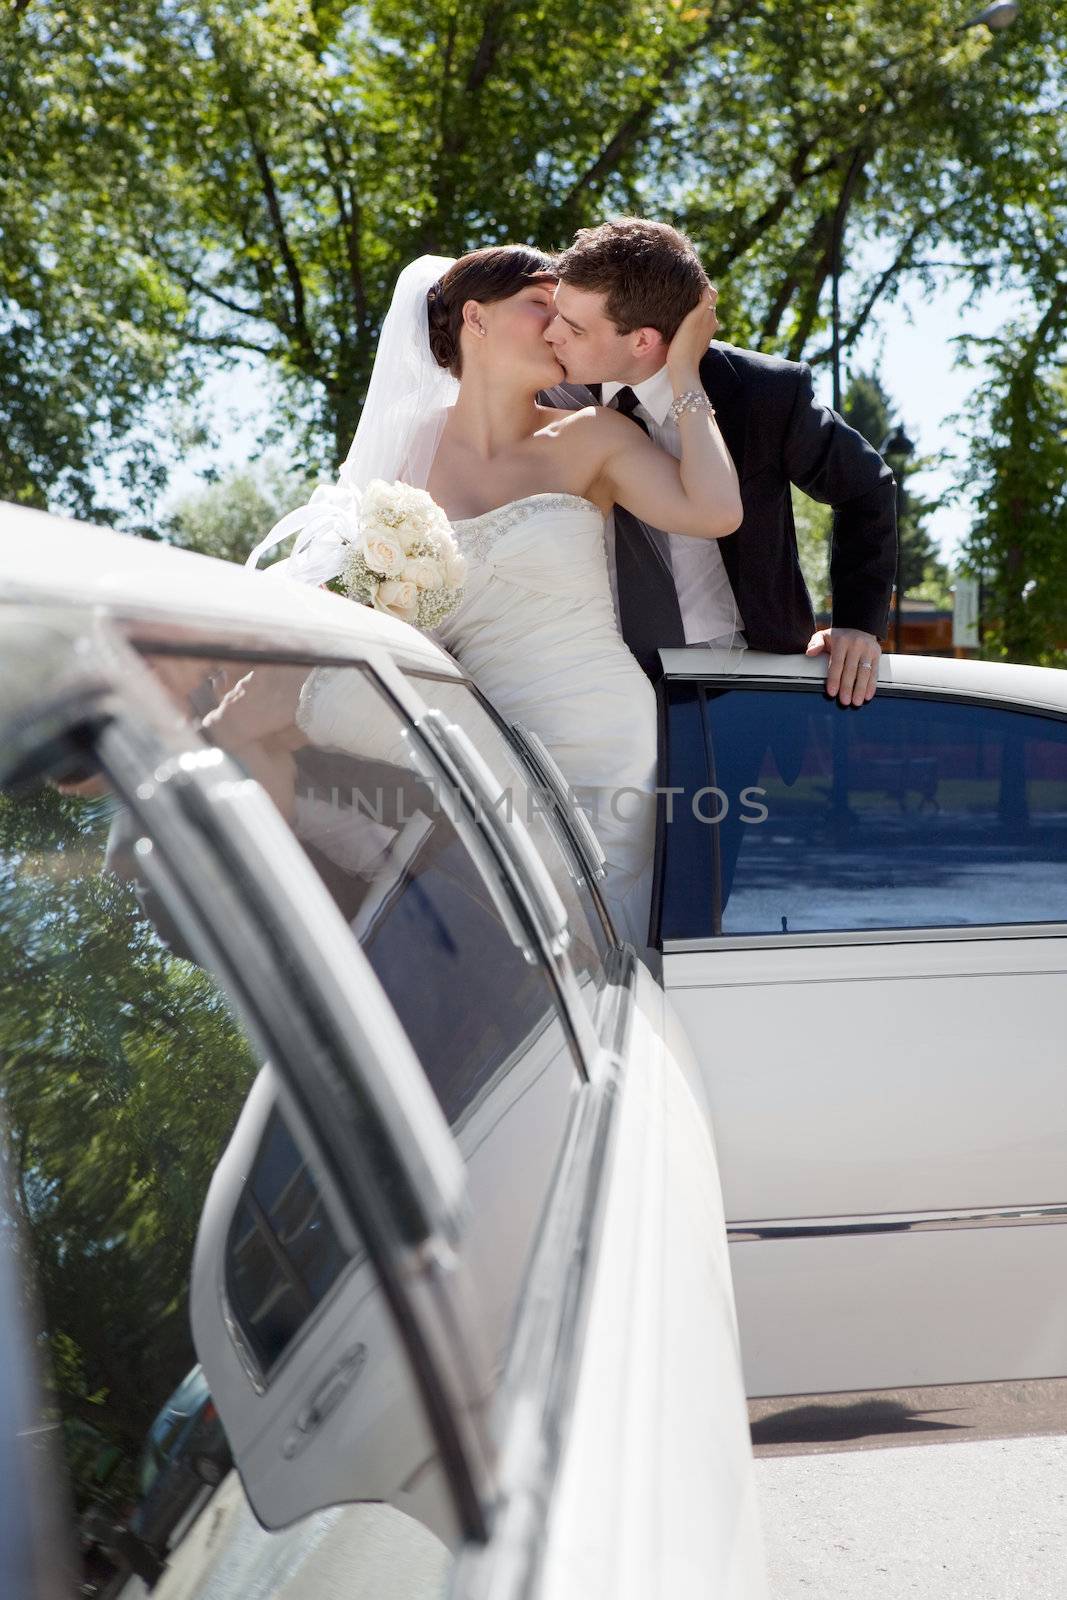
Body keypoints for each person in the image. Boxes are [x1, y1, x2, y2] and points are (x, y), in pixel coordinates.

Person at [249, 245, 742, 949]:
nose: (555, 328)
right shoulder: (401, 459)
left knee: (597, 943)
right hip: (484, 748)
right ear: (474, 319)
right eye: (541, 306)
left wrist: (685, 372)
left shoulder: (593, 436)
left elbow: (715, 511)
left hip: (606, 737)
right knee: (542, 955)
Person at [543, 217, 898, 706]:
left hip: (746, 685)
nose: (551, 333)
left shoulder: (764, 392)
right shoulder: (548, 394)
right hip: (591, 679)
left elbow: (865, 487)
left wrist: (859, 622)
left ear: (643, 340)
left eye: (575, 327)